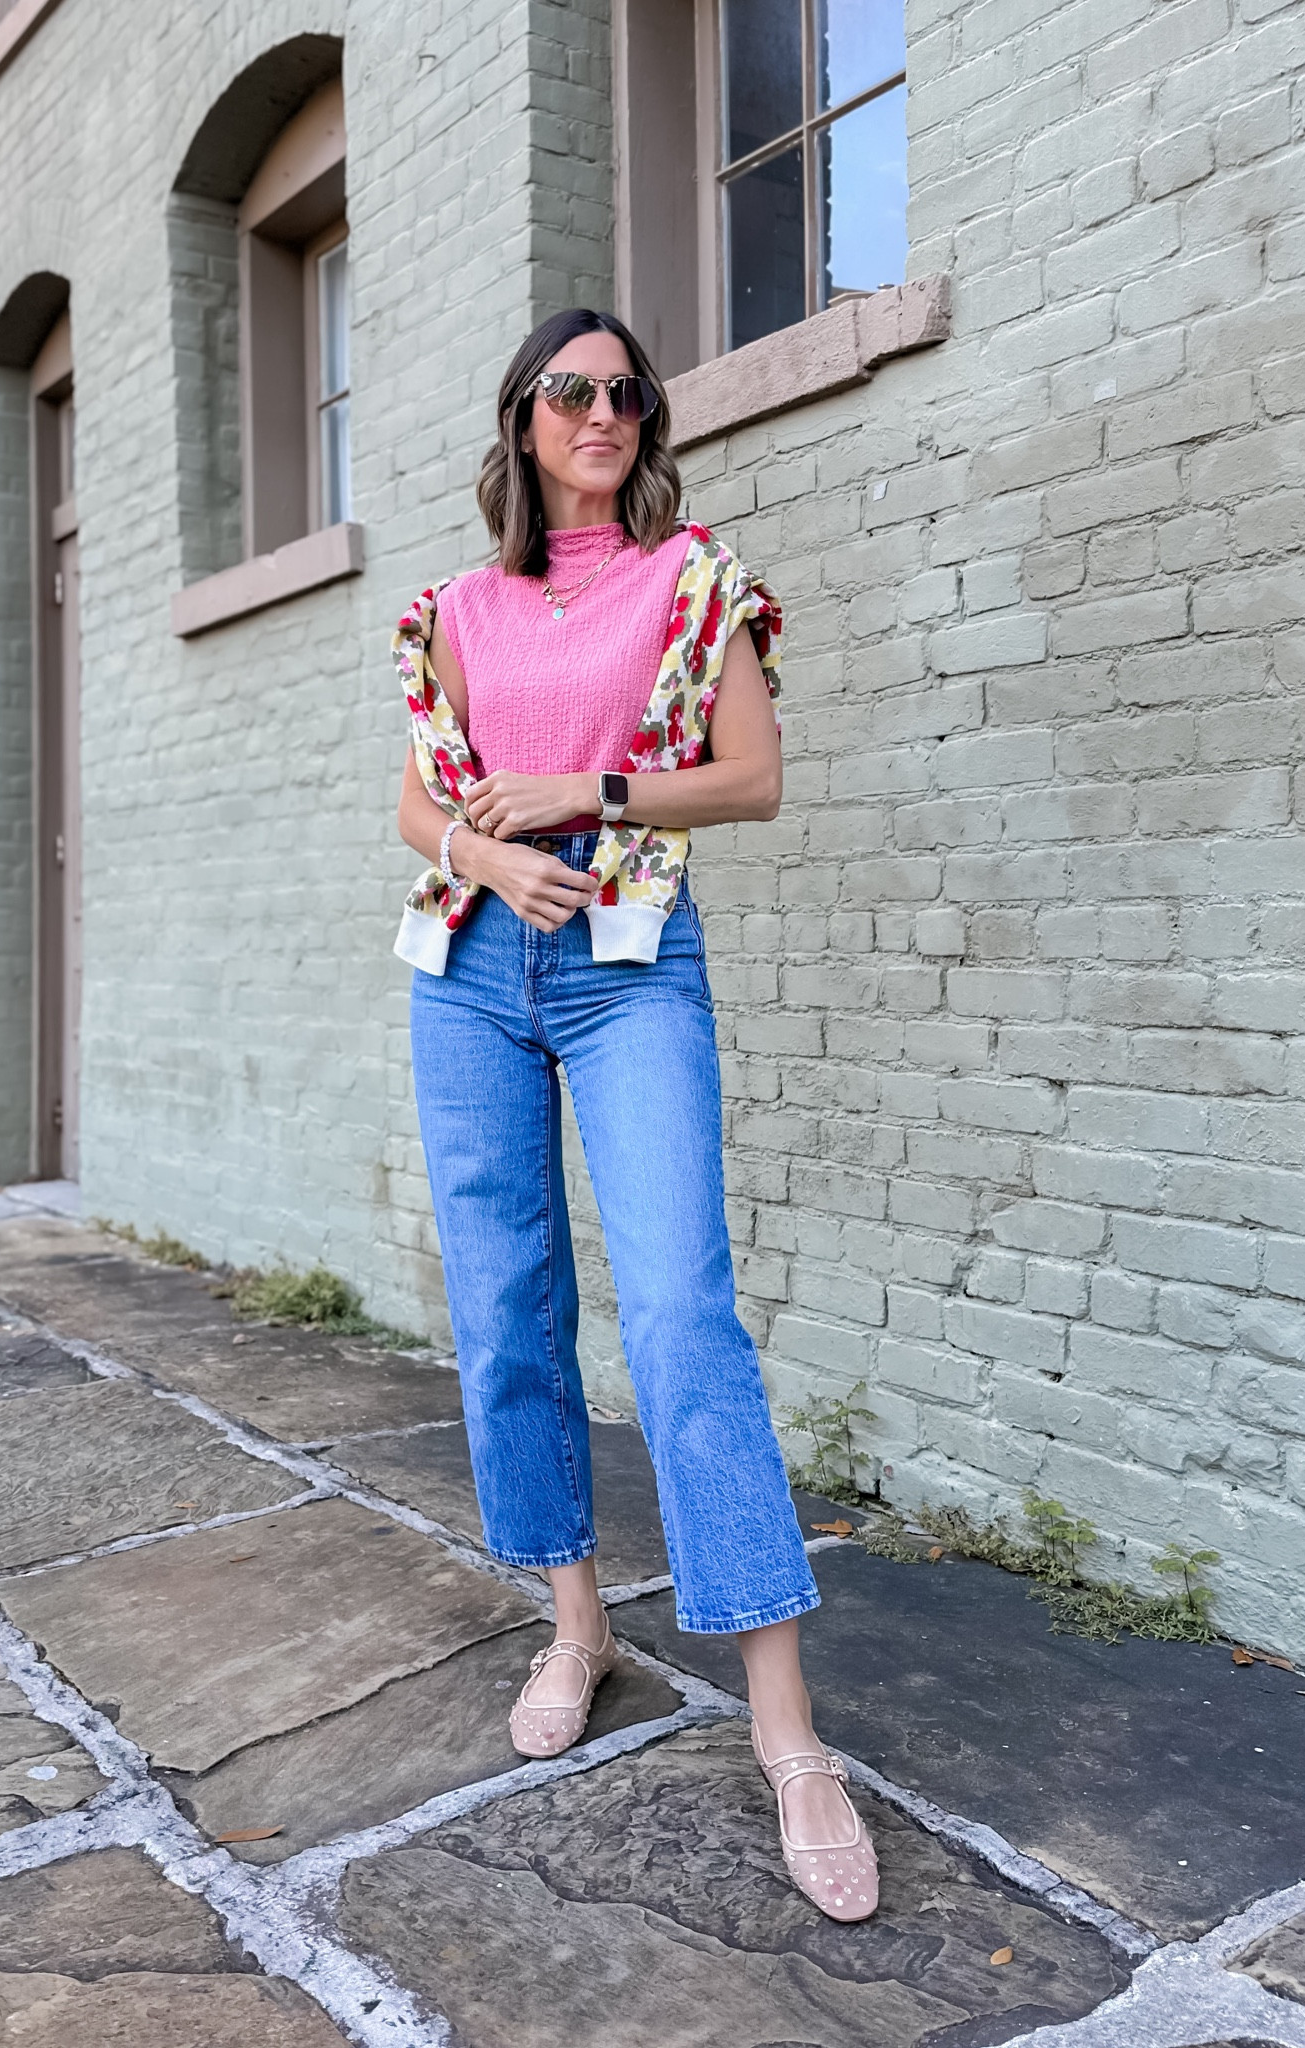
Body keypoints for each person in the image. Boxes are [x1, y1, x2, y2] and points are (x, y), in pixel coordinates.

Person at [393, 307, 878, 1922]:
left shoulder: (694, 584)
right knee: (508, 1314)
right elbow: (416, 793)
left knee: (679, 1316)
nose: (603, 411)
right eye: (570, 391)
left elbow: (752, 776)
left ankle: (789, 1734)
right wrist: (481, 852)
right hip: (469, 971)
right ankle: (577, 1623)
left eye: (626, 393)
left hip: (628, 969)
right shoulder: (459, 607)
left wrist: (582, 798)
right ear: (525, 421)